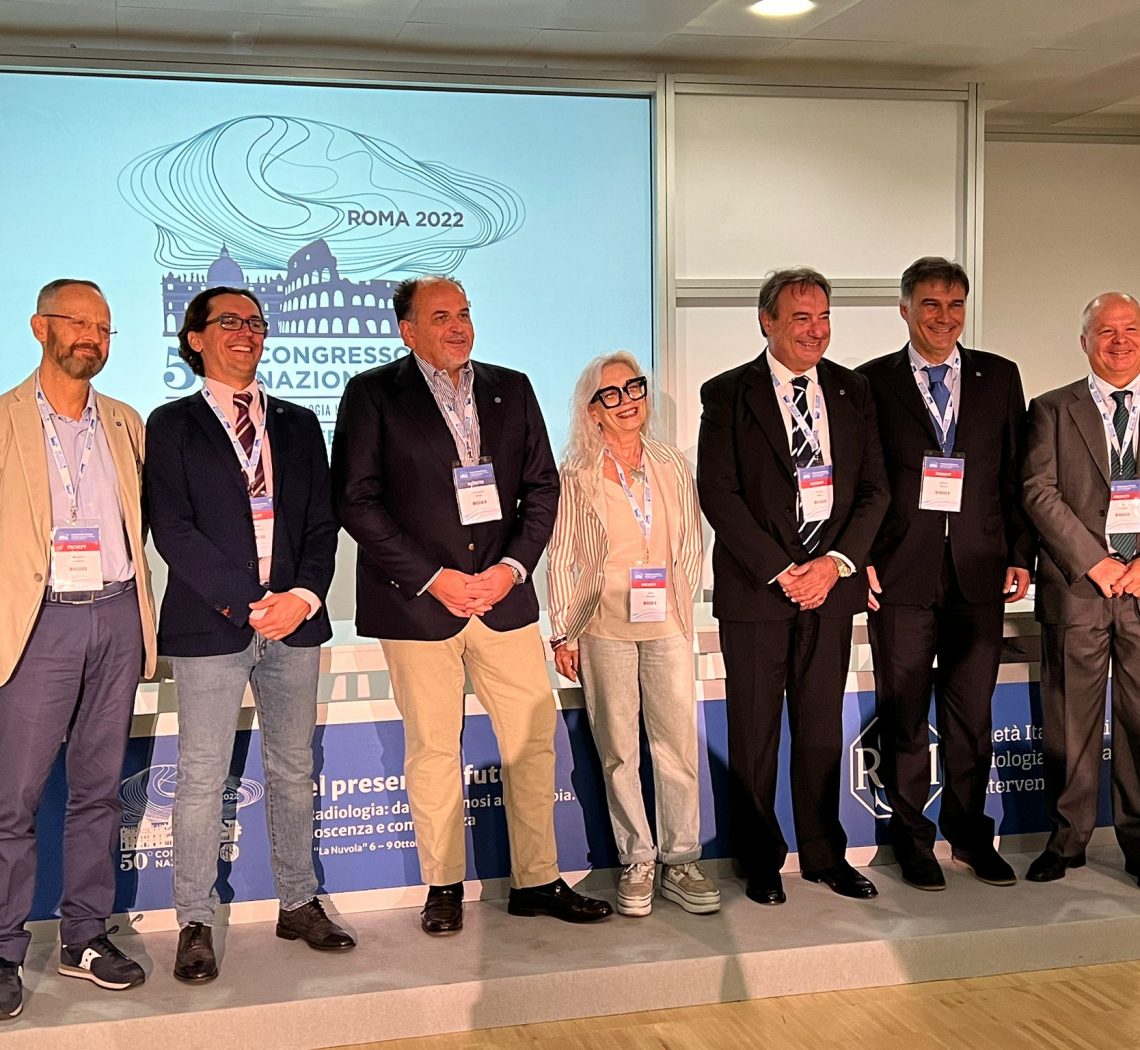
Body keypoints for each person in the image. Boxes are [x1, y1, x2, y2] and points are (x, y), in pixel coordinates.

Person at [332, 275, 612, 935]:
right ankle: (444, 887)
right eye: (440, 317)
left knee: (533, 742)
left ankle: (537, 880)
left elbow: (541, 489)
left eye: (463, 313)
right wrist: (435, 578)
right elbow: (356, 501)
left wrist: (512, 569)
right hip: (418, 605)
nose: (458, 326)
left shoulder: (511, 387)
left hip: (502, 600)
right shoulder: (373, 394)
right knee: (433, 749)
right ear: (407, 331)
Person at [145, 286, 352, 984]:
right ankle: (194, 921)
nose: (247, 333)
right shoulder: (171, 424)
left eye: (256, 323)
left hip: (295, 622)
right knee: (202, 776)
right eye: (229, 322)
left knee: (294, 769)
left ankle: (298, 902)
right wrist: (249, 602)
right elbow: (173, 529)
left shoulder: (297, 423)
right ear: (195, 338)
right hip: (212, 623)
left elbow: (321, 523)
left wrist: (302, 597)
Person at [697, 267, 889, 905]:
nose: (816, 330)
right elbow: (719, 494)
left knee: (819, 728)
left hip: (831, 588)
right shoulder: (727, 393)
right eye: (802, 318)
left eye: (824, 317)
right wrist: (784, 571)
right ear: (768, 322)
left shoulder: (853, 389)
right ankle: (758, 858)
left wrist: (834, 564)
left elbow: (875, 491)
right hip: (759, 591)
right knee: (754, 732)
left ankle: (825, 855)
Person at [0, 279, 156, 1017]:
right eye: (79, 323)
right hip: (39, 624)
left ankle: (84, 936)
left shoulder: (126, 422)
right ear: (41, 328)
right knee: (14, 799)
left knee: (98, 790)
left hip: (117, 615)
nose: (92, 336)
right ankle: (3, 949)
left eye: (104, 326)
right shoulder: (4, 419)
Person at [857, 257, 1034, 891]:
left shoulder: (998, 376)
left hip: (978, 571)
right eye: (931, 304)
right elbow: (863, 480)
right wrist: (859, 556)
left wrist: (1020, 553)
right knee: (904, 715)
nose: (944, 317)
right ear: (905, 309)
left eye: (955, 304)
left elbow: (1015, 474)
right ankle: (913, 841)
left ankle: (969, 835)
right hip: (900, 573)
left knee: (970, 717)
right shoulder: (870, 381)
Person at [547, 352, 717, 917]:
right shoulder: (575, 474)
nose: (627, 402)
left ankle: (681, 859)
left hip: (667, 622)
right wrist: (564, 631)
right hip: (604, 626)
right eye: (611, 394)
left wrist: (684, 601)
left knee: (676, 745)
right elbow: (562, 555)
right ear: (592, 411)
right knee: (619, 750)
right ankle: (637, 859)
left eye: (634, 388)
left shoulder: (671, 463)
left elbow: (691, 539)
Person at [1022, 291, 1140, 885]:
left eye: (1130, 329)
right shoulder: (1051, 408)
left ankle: (1139, 843)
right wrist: (1096, 563)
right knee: (1071, 723)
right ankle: (1067, 841)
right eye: (1106, 331)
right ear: (1084, 342)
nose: (1120, 341)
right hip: (1078, 587)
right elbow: (1038, 491)